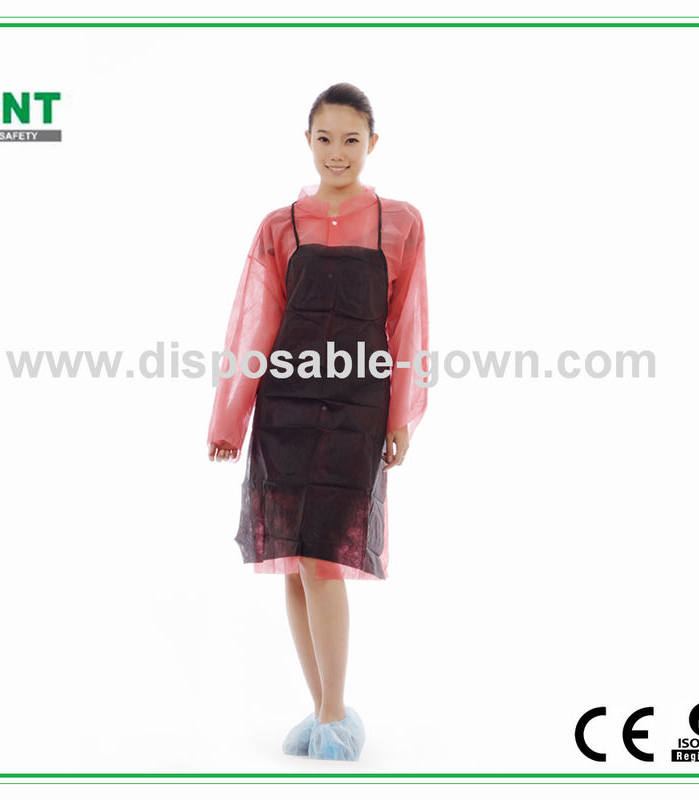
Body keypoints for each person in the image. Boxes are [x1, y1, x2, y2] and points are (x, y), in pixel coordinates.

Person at [206, 82, 429, 761]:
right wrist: (230, 416)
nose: (338, 152)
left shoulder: (400, 222)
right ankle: (323, 710)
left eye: (351, 139)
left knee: (324, 557)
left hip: (358, 408)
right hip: (287, 407)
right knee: (297, 563)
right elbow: (255, 321)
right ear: (308, 140)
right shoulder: (281, 226)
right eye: (325, 138)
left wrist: (401, 415)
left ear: (372, 143)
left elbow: (409, 323)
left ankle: (335, 713)